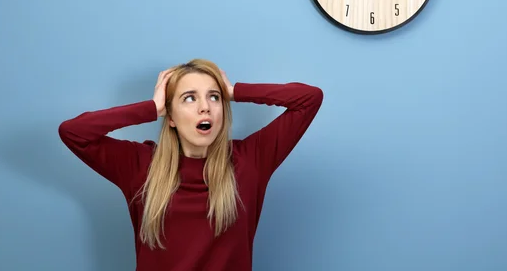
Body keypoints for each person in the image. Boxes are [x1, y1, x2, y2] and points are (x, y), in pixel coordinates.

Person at [58, 58, 324, 271]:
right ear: (170, 116)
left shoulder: (251, 160)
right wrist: (151, 108)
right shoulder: (140, 165)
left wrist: (233, 91)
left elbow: (309, 99)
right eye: (189, 98)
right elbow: (73, 132)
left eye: (214, 97)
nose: (205, 107)